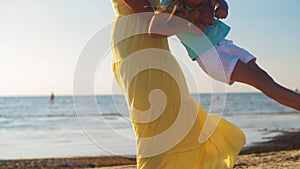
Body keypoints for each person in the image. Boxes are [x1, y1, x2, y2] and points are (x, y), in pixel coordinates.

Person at [111, 0, 245, 168]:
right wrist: (191, 23)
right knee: (152, 116)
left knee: (177, 107)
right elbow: (148, 16)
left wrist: (214, 5)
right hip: (133, 45)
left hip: (157, 46)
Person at [150, 0, 300, 111]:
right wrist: (187, 26)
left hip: (226, 45)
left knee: (265, 79)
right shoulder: (170, 2)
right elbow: (154, 31)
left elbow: (221, 3)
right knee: (262, 81)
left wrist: (222, 7)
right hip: (209, 55)